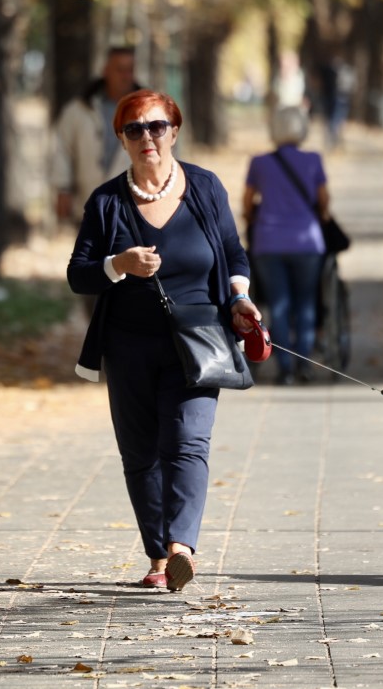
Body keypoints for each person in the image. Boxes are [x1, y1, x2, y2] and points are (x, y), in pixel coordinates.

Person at [67, 89, 259, 593]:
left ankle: (181, 548)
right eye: (134, 129)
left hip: (199, 342)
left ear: (174, 131)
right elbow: (78, 275)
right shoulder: (106, 201)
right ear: (121, 139)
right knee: (140, 453)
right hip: (127, 346)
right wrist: (118, 264)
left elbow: (234, 253)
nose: (146, 137)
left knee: (188, 442)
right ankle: (158, 556)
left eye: (156, 126)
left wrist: (240, 298)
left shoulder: (205, 187)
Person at [242, 105, 328, 385]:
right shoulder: (313, 160)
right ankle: (304, 363)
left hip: (268, 243)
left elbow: (247, 201)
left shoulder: (259, 163)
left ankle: (285, 368)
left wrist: (252, 218)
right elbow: (323, 199)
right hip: (307, 243)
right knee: (305, 302)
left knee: (278, 304)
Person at [51, 46, 142, 226]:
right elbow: (62, 149)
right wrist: (62, 187)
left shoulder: (152, 111)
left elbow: (168, 153)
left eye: (130, 70)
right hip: (88, 206)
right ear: (106, 71)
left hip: (135, 210)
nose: (125, 76)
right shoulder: (79, 110)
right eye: (120, 70)